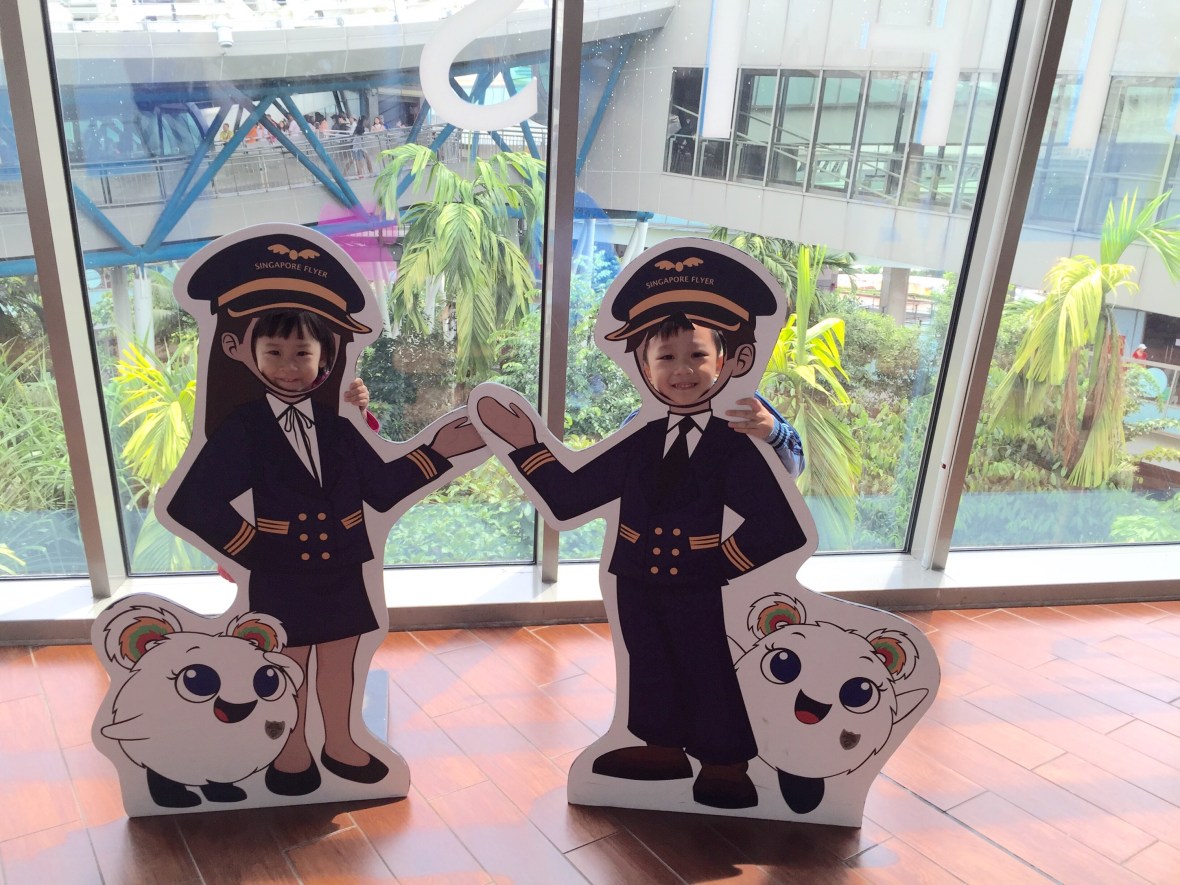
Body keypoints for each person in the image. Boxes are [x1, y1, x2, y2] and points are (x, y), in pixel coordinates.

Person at [476, 242, 807, 810]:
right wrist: (525, 445)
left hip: (700, 580)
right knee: (648, 660)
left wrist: (718, 563)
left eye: (697, 355)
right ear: (643, 366)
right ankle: (661, 746)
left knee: (706, 664)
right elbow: (571, 496)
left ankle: (725, 760)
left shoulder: (738, 432)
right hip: (633, 574)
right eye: (665, 357)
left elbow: (781, 523)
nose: (682, 370)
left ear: (732, 361)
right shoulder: (641, 435)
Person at [167, 230, 482, 798]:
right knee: (287, 665)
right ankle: (292, 753)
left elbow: (382, 488)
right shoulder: (243, 429)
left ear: (326, 358)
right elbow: (190, 502)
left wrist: (439, 452)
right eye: (275, 353)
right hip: (280, 573)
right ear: (242, 350)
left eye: (302, 354)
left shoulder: (338, 426)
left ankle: (340, 742)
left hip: (341, 565)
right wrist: (255, 549)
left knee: (340, 658)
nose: (289, 367)